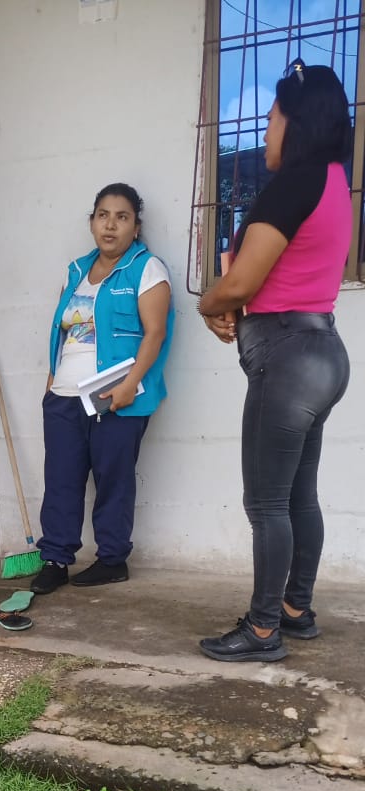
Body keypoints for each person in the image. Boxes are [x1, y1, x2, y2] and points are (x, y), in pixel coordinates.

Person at [198, 61, 352, 661]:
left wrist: (210, 303)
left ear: (296, 120)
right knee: (297, 497)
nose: (265, 131)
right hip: (322, 353)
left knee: (265, 504)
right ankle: (295, 609)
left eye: (270, 118)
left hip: (287, 358)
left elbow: (241, 282)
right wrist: (232, 304)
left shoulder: (294, 184)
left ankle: (263, 630)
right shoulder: (334, 181)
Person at [30, 182, 174, 594]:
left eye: (122, 217)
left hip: (115, 396)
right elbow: (62, 334)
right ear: (92, 222)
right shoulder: (76, 271)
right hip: (64, 397)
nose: (111, 225)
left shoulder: (146, 269)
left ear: (136, 227)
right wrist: (51, 385)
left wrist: (131, 385)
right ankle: (56, 559)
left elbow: (155, 333)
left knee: (113, 479)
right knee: (61, 480)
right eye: (103, 216)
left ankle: (112, 560)